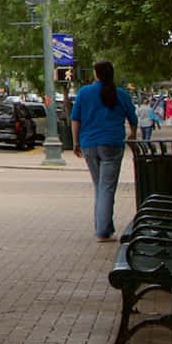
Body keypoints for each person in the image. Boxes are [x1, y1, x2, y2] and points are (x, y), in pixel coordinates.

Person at [70, 59, 139, 242]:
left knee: (99, 187)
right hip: (112, 143)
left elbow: (75, 119)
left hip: (89, 144)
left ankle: (104, 228)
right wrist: (132, 134)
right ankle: (103, 230)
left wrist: (75, 142)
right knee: (107, 188)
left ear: (96, 74)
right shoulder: (121, 94)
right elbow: (132, 117)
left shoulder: (84, 93)